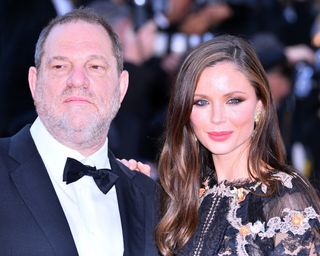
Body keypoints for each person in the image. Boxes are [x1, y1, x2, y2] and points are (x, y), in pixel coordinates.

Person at [0, 8, 158, 256]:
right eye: (60, 66)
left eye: (95, 67)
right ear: (34, 82)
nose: (77, 80)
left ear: (122, 87)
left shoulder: (148, 196)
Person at [155, 35, 320, 255]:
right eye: (201, 102)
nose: (217, 118)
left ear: (260, 106)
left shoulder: (285, 198)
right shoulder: (182, 194)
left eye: (233, 100)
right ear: (186, 112)